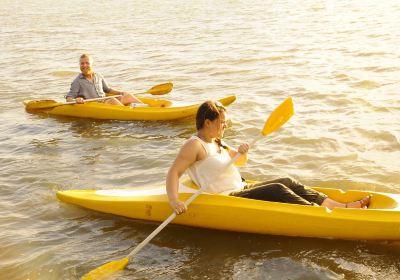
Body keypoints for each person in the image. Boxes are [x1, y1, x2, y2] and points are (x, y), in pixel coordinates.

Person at [166, 100, 371, 215]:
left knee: (286, 180)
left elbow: (239, 162)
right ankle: (320, 215)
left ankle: (340, 207)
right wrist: (174, 201)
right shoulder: (194, 145)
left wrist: (242, 153)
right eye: (222, 122)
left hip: (242, 188)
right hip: (228, 198)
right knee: (277, 189)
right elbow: (174, 173)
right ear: (207, 122)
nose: (226, 126)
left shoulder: (218, 141)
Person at [66, 54, 144, 106]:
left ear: (91, 64)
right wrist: (77, 99)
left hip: (104, 100)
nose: (84, 65)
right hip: (97, 105)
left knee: (127, 95)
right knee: (112, 100)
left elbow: (108, 90)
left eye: (87, 63)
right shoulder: (77, 81)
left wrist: (121, 93)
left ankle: (146, 108)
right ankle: (130, 112)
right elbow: (69, 98)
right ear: (79, 65)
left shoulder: (98, 76)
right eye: (82, 63)